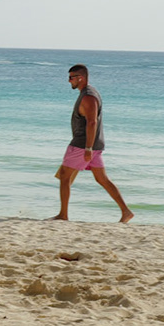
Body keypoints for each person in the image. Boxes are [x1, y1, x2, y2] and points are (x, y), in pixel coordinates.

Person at [53, 64, 134, 223]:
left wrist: (88, 148)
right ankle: (126, 212)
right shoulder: (89, 93)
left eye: (71, 77)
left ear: (80, 78)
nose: (69, 81)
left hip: (82, 145)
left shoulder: (88, 96)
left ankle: (63, 215)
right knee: (102, 179)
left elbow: (92, 122)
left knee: (64, 176)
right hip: (92, 145)